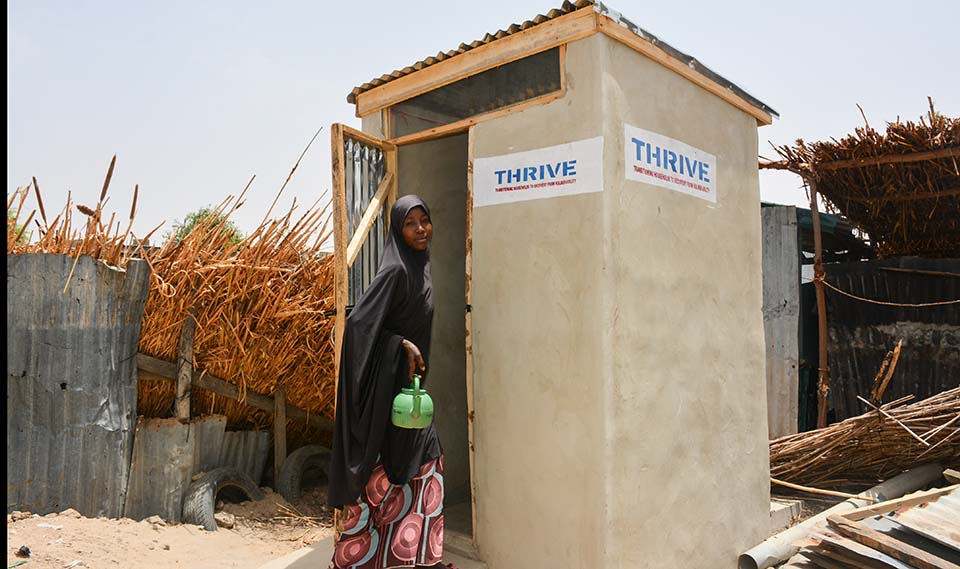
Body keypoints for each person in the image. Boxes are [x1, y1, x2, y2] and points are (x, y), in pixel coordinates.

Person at [327, 195, 455, 569]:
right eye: (410, 223)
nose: (421, 229)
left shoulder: (420, 268)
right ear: (398, 232)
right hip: (387, 404)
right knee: (393, 480)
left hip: (409, 398)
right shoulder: (396, 272)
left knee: (424, 471)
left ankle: (405, 560)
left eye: (424, 221)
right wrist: (400, 345)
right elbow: (358, 326)